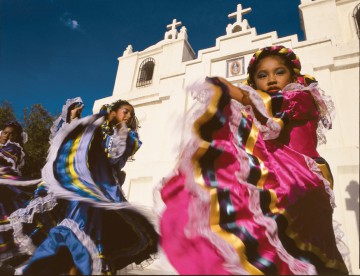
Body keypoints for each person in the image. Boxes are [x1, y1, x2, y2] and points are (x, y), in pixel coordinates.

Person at [158, 45, 349, 275]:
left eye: (279, 72)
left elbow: (272, 112)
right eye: (262, 75)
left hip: (302, 183)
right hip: (277, 179)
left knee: (310, 248)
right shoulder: (255, 109)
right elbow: (246, 124)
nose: (271, 79)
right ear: (254, 80)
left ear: (293, 75)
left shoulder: (301, 97)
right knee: (270, 246)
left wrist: (232, 91)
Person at [14, 99, 158, 275]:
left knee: (91, 234)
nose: (128, 116)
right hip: (80, 186)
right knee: (72, 225)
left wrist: (120, 129)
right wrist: (73, 120)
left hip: (102, 192)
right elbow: (65, 143)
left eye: (131, 114)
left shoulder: (126, 136)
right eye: (125, 111)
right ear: (114, 111)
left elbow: (114, 156)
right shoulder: (93, 127)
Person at [0, 121, 41, 272]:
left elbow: (4, 166)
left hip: (7, 189)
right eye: (5, 132)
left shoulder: (14, 148)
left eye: (12, 134)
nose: (7, 136)